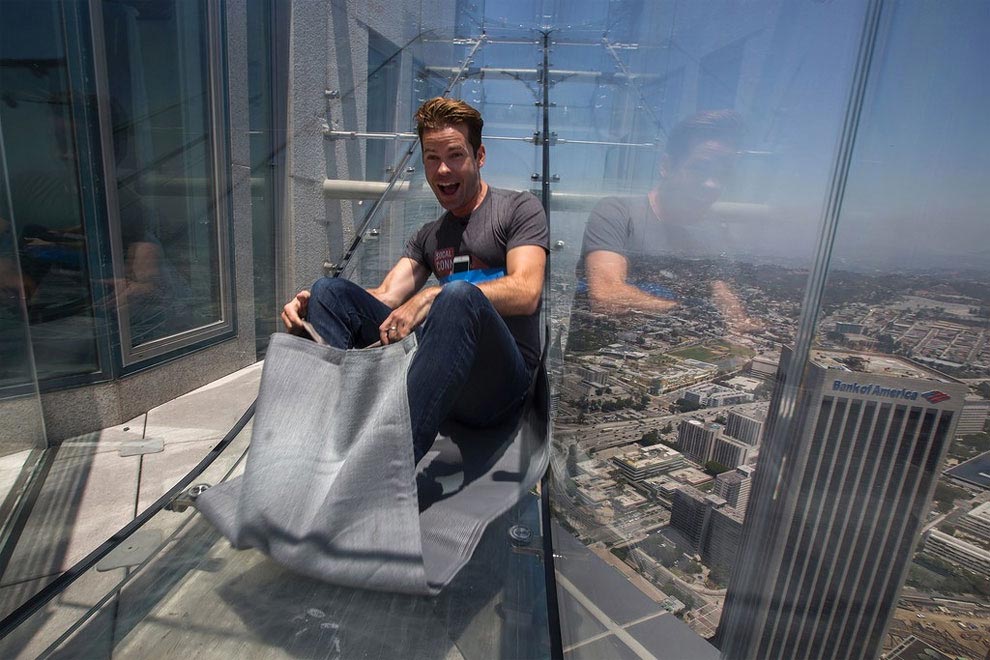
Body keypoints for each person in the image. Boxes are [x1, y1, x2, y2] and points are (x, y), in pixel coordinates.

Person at [282, 97, 549, 464]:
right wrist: (312, 307)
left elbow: (527, 290)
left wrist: (431, 297)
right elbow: (385, 297)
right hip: (444, 376)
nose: (443, 169)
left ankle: (384, 468)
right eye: (432, 158)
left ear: (479, 156)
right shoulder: (429, 236)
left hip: (500, 388)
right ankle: (327, 437)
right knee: (329, 291)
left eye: (455, 155)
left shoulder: (518, 209)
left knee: (457, 296)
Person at [577, 109, 760, 334]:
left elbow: (723, 297)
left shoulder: (714, 231)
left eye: (723, 174)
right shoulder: (617, 212)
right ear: (666, 166)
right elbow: (606, 296)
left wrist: (741, 324)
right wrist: (690, 312)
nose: (711, 184)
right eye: (699, 169)